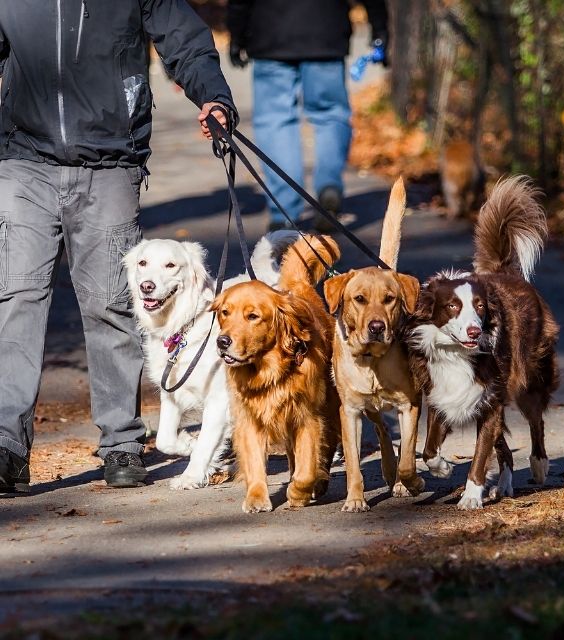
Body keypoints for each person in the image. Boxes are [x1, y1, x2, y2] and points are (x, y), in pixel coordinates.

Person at [0, 0, 235, 492]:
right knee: (16, 300)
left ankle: (122, 443)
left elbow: (185, 40)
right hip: (22, 161)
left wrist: (214, 98)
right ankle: (6, 447)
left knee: (112, 305)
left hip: (109, 163)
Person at [227, 0, 388, 231]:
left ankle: (283, 208)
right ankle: (329, 186)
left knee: (275, 120)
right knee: (331, 114)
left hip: (271, 34)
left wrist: (237, 32)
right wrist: (380, 27)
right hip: (326, 31)